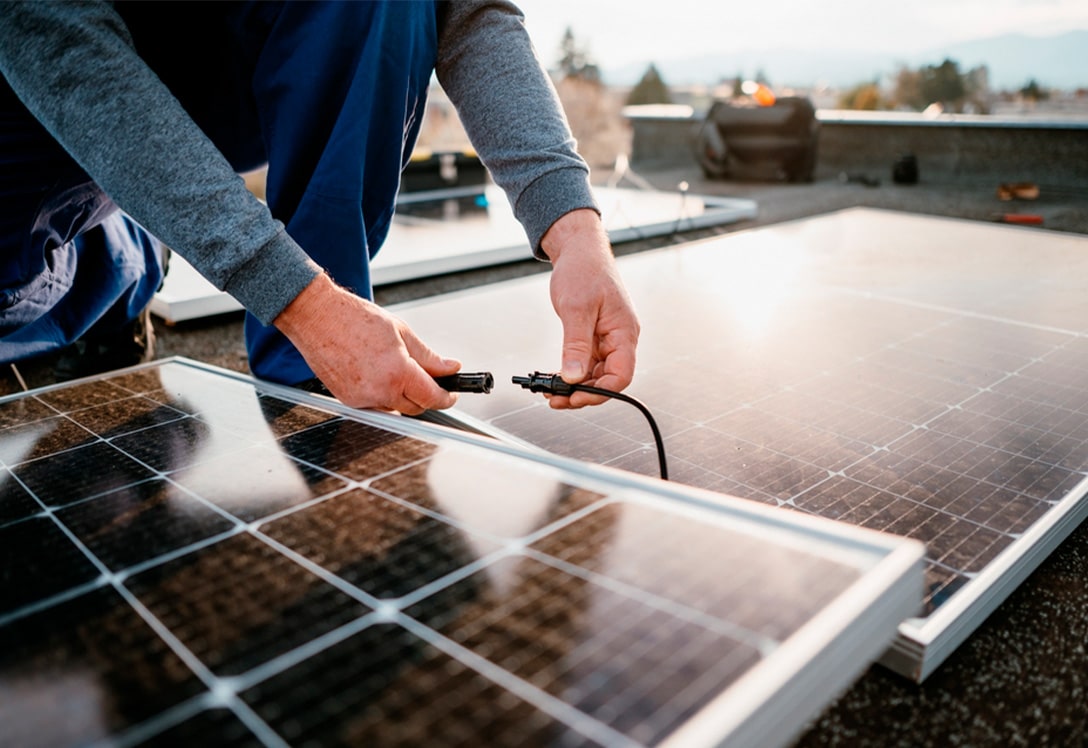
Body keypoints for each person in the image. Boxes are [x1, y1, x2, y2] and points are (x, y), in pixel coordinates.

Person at [0, 0, 639, 414]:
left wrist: (576, 231)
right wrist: (292, 296)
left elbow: (468, 12)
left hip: (209, 57)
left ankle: (313, 372)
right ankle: (120, 257)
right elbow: (56, 42)